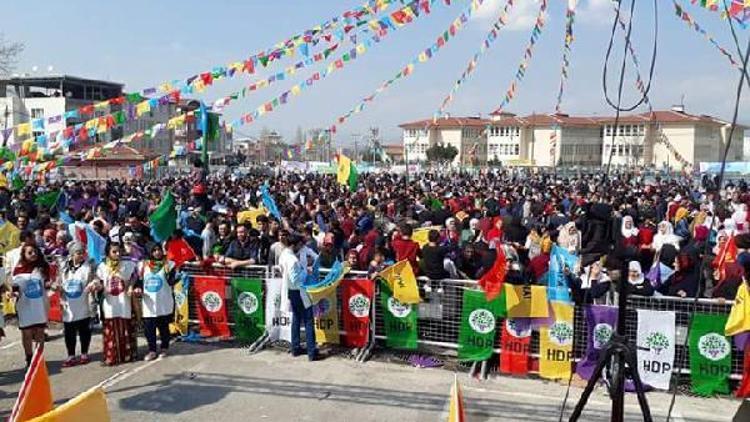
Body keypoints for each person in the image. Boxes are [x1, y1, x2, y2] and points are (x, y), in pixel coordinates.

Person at [97, 242, 139, 366]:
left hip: (124, 301)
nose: (118, 254)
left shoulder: (128, 265)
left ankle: (128, 355)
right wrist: (96, 286)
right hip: (110, 303)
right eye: (114, 252)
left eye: (119, 251)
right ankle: (111, 357)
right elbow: (99, 282)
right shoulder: (102, 267)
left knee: (125, 327)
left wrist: (131, 286)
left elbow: (135, 278)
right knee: (111, 330)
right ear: (108, 253)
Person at [280, 233, 320, 361]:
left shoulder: (283, 255)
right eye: (299, 245)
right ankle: (311, 352)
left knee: (296, 318)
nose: (301, 247)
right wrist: (305, 272)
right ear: (294, 245)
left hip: (291, 291)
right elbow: (295, 278)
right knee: (308, 320)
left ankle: (296, 348)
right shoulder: (292, 259)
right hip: (299, 291)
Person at [58, 242, 97, 367]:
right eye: (78, 253)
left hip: (83, 303)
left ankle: (84, 353)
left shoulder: (88, 266)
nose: (81, 255)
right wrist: (57, 291)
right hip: (68, 305)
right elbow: (58, 282)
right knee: (69, 331)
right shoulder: (64, 268)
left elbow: (95, 279)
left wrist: (93, 284)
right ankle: (71, 355)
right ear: (72, 254)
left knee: (84, 330)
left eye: (82, 252)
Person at [12, 244, 50, 366]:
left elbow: (48, 283)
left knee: (40, 332)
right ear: (24, 255)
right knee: (26, 333)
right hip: (24, 306)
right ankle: (29, 357)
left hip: (39, 305)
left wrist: (51, 284)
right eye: (30, 252)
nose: (33, 254)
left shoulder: (43, 267)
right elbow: (15, 287)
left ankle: (39, 357)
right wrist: (15, 294)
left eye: (35, 252)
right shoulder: (18, 270)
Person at [138, 244, 177, 361]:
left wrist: (177, 277)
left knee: (164, 327)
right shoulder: (143, 265)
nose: (157, 252)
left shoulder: (169, 264)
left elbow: (171, 281)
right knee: (149, 328)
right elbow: (139, 281)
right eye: (154, 250)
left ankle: (164, 347)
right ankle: (152, 350)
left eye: (159, 250)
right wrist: (137, 288)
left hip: (163, 301)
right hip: (149, 302)